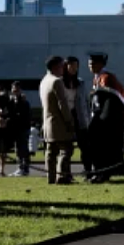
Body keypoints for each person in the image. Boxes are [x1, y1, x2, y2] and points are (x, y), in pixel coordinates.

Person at [87, 52, 124, 182]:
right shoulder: (97, 78)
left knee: (104, 149)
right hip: (99, 117)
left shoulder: (107, 78)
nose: (90, 66)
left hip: (107, 120)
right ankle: (98, 172)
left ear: (100, 64)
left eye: (93, 63)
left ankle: (103, 174)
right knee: (96, 147)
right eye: (89, 63)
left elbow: (114, 99)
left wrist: (103, 120)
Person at [40, 56, 75, 184]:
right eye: (61, 66)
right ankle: (62, 176)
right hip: (59, 123)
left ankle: (50, 177)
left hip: (48, 123)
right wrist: (69, 120)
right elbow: (62, 104)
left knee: (50, 152)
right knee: (66, 149)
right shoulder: (57, 81)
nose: (63, 69)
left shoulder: (44, 81)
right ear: (55, 67)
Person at [63, 57, 92, 175]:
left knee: (85, 146)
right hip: (66, 116)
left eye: (76, 66)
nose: (74, 69)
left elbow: (85, 101)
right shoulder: (60, 82)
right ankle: (65, 171)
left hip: (79, 116)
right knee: (66, 146)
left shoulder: (80, 82)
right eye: (71, 66)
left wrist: (87, 118)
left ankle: (87, 169)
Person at [7, 82, 32, 176]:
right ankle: (21, 167)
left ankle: (24, 168)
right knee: (18, 149)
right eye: (13, 90)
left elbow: (23, 115)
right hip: (16, 129)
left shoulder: (23, 102)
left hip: (23, 128)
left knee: (23, 149)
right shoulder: (12, 101)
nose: (14, 92)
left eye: (16, 90)